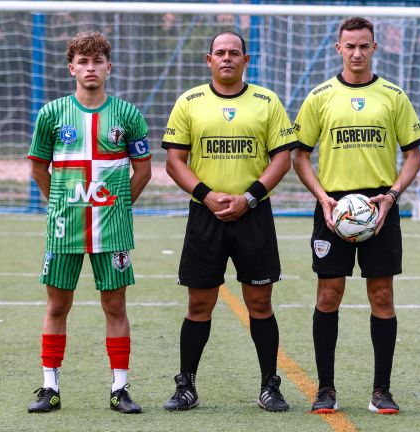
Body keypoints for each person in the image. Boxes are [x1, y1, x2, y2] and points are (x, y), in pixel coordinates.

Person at [292, 17, 420, 415]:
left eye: (363, 46)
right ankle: (326, 389)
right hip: (334, 209)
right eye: (349, 46)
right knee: (328, 295)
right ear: (338, 49)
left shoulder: (393, 95)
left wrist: (392, 196)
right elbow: (300, 155)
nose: (356, 52)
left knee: (382, 296)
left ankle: (381, 391)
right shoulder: (320, 96)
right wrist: (322, 199)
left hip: (380, 207)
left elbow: (414, 154)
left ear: (374, 48)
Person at [161, 31, 297, 412]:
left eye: (233, 53)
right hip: (206, 216)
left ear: (245, 60)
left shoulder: (267, 102)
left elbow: (282, 159)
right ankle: (186, 384)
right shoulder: (189, 102)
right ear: (208, 60)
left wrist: (249, 196)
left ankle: (270, 384)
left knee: (260, 302)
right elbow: (174, 161)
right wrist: (206, 194)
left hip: (253, 215)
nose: (226, 58)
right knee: (199, 304)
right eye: (219, 53)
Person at [26, 31, 152, 414]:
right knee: (57, 305)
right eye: (83, 61)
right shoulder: (52, 114)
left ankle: (120, 388)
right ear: (72, 69)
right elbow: (37, 168)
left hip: (111, 228)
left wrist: (118, 207)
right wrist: (61, 205)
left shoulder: (127, 115)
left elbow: (144, 171)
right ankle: (49, 386)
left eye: (97, 61)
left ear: (108, 67)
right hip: (65, 228)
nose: (91, 67)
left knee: (115, 306)